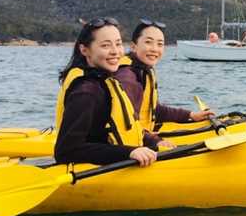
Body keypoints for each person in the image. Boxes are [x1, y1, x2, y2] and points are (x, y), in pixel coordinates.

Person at [54, 17, 157, 166]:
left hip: (116, 161)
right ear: (84, 50)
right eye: (105, 46)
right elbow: (66, 151)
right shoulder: (86, 92)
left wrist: (154, 142)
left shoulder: (105, 81)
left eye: (118, 44)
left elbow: (127, 126)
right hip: (96, 172)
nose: (115, 52)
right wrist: (128, 152)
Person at [114, 19, 214, 133]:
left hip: (142, 136)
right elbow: (126, 125)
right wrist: (154, 140)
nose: (154, 49)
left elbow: (155, 110)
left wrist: (191, 115)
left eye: (160, 44)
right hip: (131, 144)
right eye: (148, 42)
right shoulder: (127, 78)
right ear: (133, 46)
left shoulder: (144, 71)